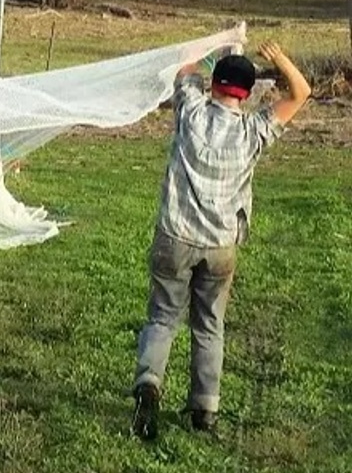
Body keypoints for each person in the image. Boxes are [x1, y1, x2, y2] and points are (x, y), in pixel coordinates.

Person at [130, 41, 311, 440]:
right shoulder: (253, 130)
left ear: (213, 84)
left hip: (174, 237)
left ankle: (148, 384)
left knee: (162, 317)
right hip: (220, 247)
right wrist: (279, 58)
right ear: (246, 94)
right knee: (209, 326)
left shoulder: (191, 111)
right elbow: (301, 93)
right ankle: (204, 410)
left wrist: (213, 45)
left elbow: (183, 69)